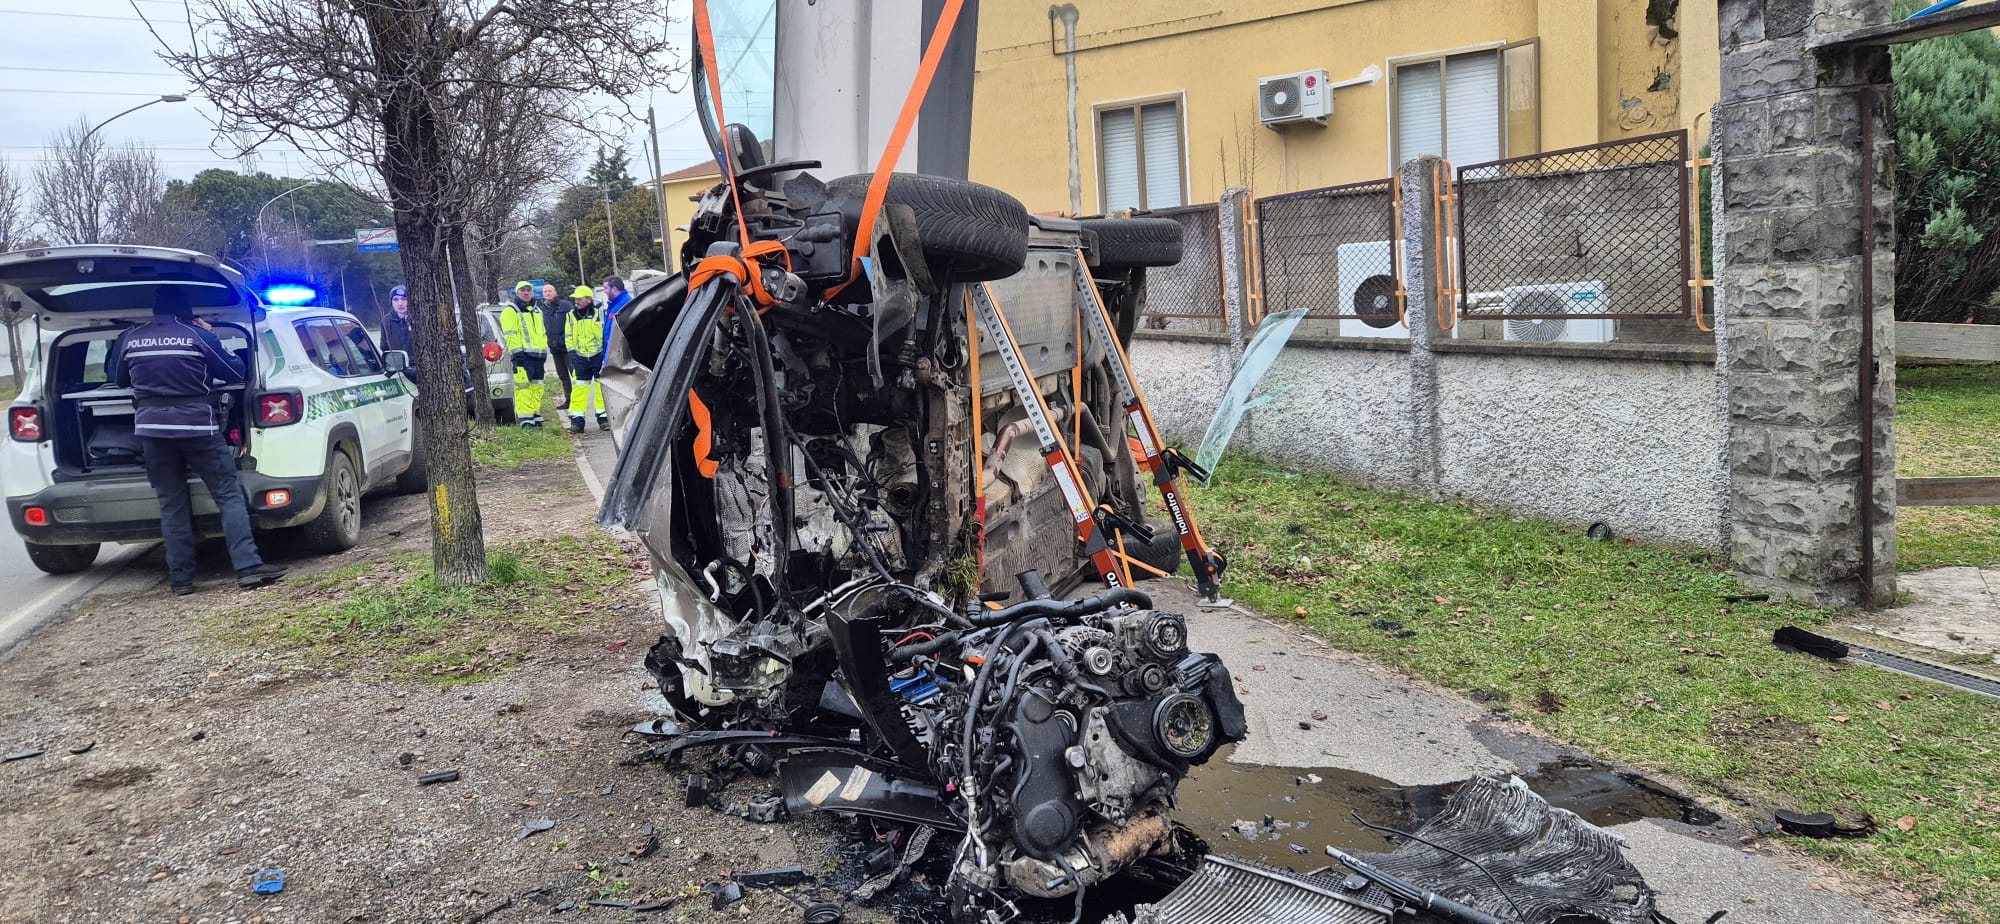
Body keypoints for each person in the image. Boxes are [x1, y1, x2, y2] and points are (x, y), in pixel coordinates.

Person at [112, 288, 287, 595]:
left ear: (155, 311)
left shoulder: (130, 339)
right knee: (227, 495)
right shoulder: (197, 336)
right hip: (197, 429)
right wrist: (211, 334)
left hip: (151, 431)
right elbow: (236, 370)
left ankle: (180, 580)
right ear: (187, 312)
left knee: (171, 503)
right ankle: (247, 568)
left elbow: (119, 379)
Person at [499, 281, 549, 427]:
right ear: (517, 292)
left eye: (528, 290)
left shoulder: (537, 311)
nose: (526, 293)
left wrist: (544, 351)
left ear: (532, 292)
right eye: (522, 290)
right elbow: (510, 334)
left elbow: (542, 333)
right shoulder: (511, 311)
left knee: (537, 388)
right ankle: (526, 421)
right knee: (523, 389)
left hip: (538, 357)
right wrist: (517, 353)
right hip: (522, 357)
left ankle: (535, 415)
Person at [563, 285, 609, 432]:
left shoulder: (599, 313)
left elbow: (606, 333)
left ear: (588, 299)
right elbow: (568, 336)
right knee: (579, 389)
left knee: (601, 388)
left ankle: (603, 418)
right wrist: (572, 354)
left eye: (579, 298)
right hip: (580, 357)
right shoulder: (571, 315)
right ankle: (577, 421)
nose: (576, 301)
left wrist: (605, 354)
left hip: (598, 356)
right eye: (575, 299)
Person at [540, 282, 573, 408]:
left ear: (555, 292)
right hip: (554, 348)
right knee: (563, 375)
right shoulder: (542, 310)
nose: (548, 293)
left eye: (550, 291)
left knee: (574, 373)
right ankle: (568, 399)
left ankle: (578, 400)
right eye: (545, 292)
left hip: (568, 347)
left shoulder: (565, 306)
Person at [380, 285, 414, 375]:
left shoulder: (417, 318)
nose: (400, 303)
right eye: (396, 299)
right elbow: (384, 347)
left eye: (404, 299)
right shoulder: (386, 321)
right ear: (391, 302)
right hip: (398, 369)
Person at [599, 275, 631, 357]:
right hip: (611, 353)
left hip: (618, 354)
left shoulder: (625, 305)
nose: (604, 291)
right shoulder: (613, 305)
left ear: (614, 289)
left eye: (606, 288)